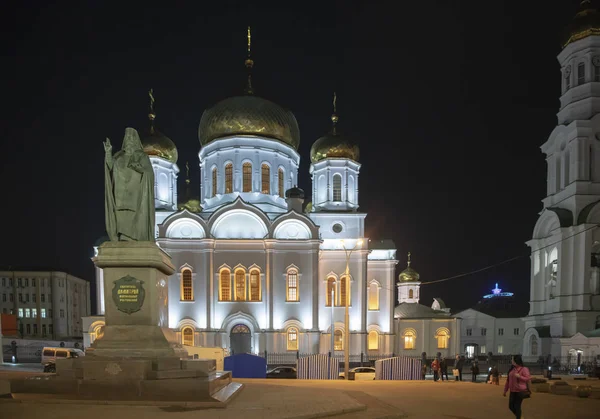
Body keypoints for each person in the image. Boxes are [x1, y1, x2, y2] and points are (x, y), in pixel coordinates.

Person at [503, 354, 531, 419]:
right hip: (512, 391)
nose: (511, 360)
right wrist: (505, 390)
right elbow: (508, 381)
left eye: (512, 359)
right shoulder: (512, 369)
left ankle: (518, 417)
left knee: (517, 406)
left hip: (520, 391)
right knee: (511, 406)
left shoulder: (524, 369)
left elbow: (528, 378)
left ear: (516, 360)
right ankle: (520, 416)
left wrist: (520, 376)